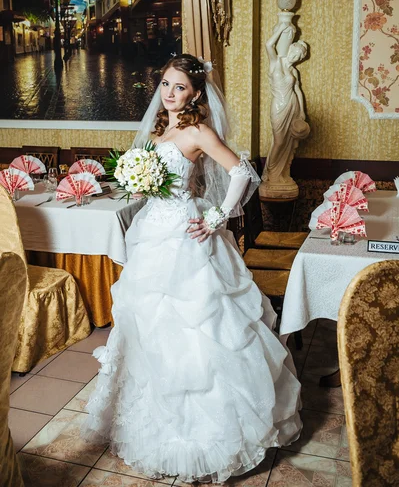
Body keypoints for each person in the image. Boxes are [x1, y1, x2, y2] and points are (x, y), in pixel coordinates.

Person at [82, 53, 302, 483]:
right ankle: (154, 425)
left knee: (201, 333)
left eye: (179, 87)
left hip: (186, 236)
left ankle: (204, 437)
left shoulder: (198, 130)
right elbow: (146, 177)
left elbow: (241, 171)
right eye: (165, 84)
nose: (169, 93)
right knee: (151, 329)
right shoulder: (159, 127)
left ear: (196, 93)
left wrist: (217, 217)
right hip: (153, 235)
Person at [263, 22, 309, 189]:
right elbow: (268, 44)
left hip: (293, 106)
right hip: (278, 107)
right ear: (290, 49)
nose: (296, 57)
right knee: (279, 141)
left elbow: (298, 91)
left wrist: (302, 112)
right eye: (295, 53)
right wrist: (282, 28)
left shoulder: (294, 71)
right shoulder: (275, 63)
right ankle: (269, 173)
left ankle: (282, 173)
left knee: (289, 143)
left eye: (299, 57)